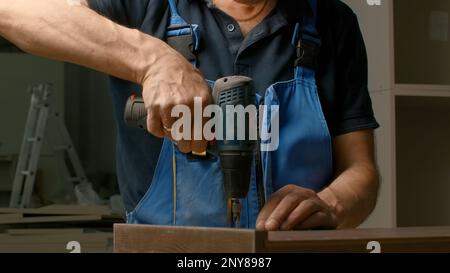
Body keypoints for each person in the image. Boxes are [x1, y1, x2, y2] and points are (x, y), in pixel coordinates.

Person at [0, 0, 380, 230]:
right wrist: (152, 60)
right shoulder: (144, 6)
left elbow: (361, 171)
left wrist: (330, 204)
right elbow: (15, 12)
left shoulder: (332, 23)